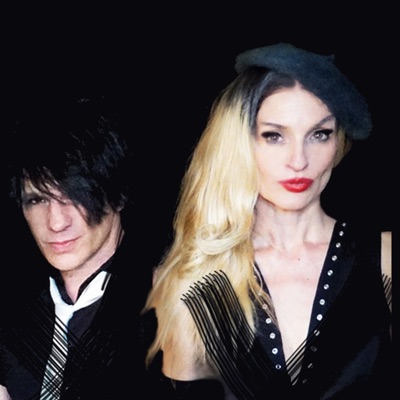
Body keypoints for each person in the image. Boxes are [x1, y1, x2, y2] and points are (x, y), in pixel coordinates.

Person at [141, 43, 392, 399]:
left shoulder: (386, 259)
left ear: (339, 142)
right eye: (274, 136)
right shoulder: (192, 279)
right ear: (240, 144)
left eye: (320, 134)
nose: (299, 160)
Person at [0, 95, 141, 399]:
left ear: (118, 195)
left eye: (75, 196)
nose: (55, 222)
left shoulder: (171, 309)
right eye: (38, 199)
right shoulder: (16, 312)